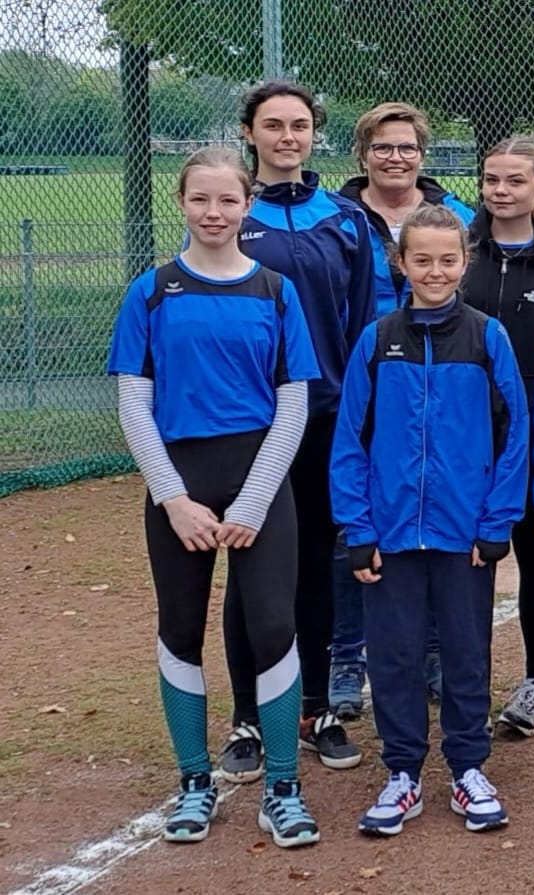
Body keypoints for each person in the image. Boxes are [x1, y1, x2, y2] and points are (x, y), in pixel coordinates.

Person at [107, 148, 321, 848]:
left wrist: (254, 500)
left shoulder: (276, 291)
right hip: (181, 484)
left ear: (247, 205)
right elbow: (134, 406)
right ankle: (194, 781)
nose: (214, 212)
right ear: (182, 202)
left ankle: (283, 787)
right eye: (200, 199)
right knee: (180, 626)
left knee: (273, 625)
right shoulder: (151, 292)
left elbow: (293, 403)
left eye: (228, 200)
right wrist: (173, 498)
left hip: (260, 480)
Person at [330, 205, 529, 836]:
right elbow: (350, 441)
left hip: (464, 535)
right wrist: (358, 528)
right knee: (394, 656)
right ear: (401, 263)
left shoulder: (488, 338)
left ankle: (468, 769)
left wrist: (496, 523)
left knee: (466, 654)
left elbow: (514, 435)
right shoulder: (376, 340)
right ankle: (403, 774)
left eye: (448, 260)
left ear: (465, 262)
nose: (435, 271)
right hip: (389, 536)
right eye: (422, 260)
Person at [221, 80, 375, 781]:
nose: (288, 137)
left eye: (300, 125)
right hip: (249, 424)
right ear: (249, 132)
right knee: (250, 567)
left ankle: (315, 710)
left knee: (316, 562)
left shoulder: (345, 217)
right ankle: (247, 719)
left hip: (325, 417)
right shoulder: (231, 213)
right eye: (274, 125)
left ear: (315, 133)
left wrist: (358, 409)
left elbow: (363, 325)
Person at [330, 102, 475, 718]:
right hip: (367, 380)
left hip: (443, 386)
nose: (396, 157)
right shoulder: (336, 218)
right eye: (383, 147)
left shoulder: (458, 216)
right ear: (363, 154)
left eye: (407, 147)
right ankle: (346, 654)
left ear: (422, 154)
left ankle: (437, 652)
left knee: (436, 518)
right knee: (356, 525)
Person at [456, 138, 534, 738]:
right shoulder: (462, 253)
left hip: (532, 436)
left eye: (514, 181)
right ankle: (465, 680)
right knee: (468, 559)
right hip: (464, 436)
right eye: (491, 180)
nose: (501, 191)